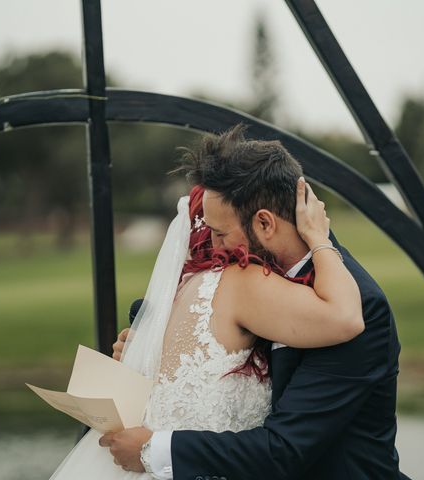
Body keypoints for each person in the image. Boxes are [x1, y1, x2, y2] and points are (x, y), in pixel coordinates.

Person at [48, 128, 365, 480]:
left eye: (221, 233)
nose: (213, 246)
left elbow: (349, 320)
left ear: (264, 222)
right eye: (208, 229)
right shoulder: (238, 282)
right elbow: (344, 317)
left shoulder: (191, 285)